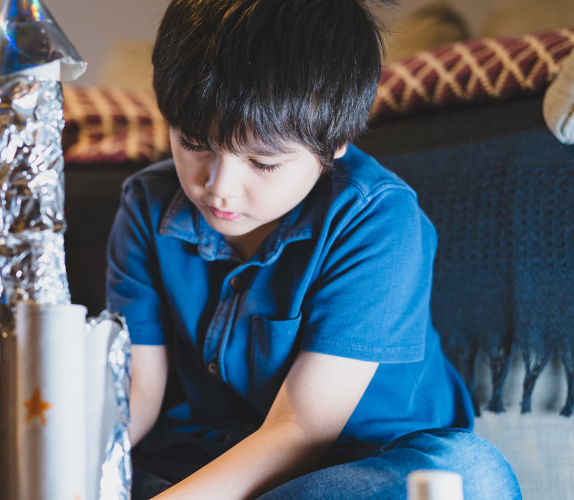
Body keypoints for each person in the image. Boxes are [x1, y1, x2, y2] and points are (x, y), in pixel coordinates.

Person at [104, 0, 522, 498]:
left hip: (352, 462)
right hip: (198, 462)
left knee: (471, 477)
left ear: (336, 141)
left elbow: (302, 427)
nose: (219, 187)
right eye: (194, 143)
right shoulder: (145, 206)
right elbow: (138, 394)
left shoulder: (379, 220)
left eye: (263, 163)